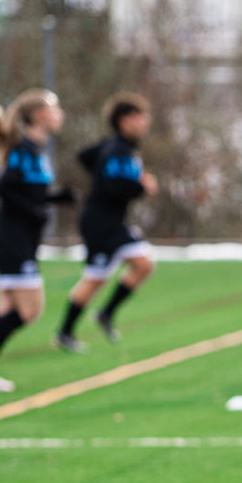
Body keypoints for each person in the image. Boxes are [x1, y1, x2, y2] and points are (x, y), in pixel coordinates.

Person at [0, 90, 70, 392]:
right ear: (39, 116)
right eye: (54, 110)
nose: (60, 115)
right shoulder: (23, 150)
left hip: (22, 241)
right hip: (12, 241)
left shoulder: (36, 150)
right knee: (31, 309)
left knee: (7, 310)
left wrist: (56, 198)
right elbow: (5, 188)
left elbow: (31, 191)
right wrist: (34, 208)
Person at [55, 93, 158, 351]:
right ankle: (64, 333)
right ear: (124, 121)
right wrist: (141, 186)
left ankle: (106, 314)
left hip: (113, 223)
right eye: (139, 117)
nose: (145, 121)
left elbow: (85, 156)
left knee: (144, 264)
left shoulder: (116, 146)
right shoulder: (118, 150)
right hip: (100, 224)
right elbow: (115, 188)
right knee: (95, 279)